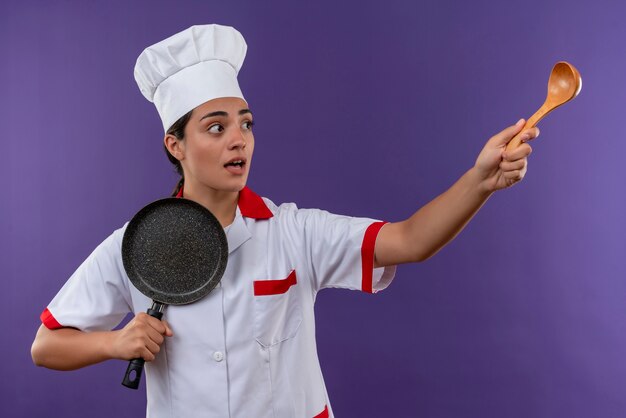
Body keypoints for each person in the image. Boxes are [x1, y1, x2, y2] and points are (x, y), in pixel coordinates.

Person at [30, 24, 538, 418]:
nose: (239, 139)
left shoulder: (293, 232)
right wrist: (114, 342)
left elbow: (409, 240)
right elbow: (46, 345)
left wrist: (480, 181)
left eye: (245, 124)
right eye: (216, 127)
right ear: (175, 145)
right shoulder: (134, 246)